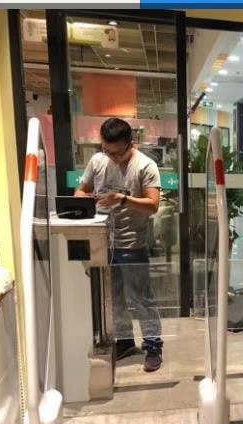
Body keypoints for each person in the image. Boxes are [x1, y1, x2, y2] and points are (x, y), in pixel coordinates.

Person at [75, 117, 164, 372]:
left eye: (116, 152)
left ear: (130, 143)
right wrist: (87, 199)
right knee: (112, 297)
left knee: (141, 298)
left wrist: (122, 199)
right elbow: (80, 191)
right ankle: (124, 341)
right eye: (106, 150)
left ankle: (153, 346)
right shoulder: (98, 161)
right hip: (102, 241)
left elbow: (153, 205)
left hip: (131, 242)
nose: (111, 157)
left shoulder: (145, 166)